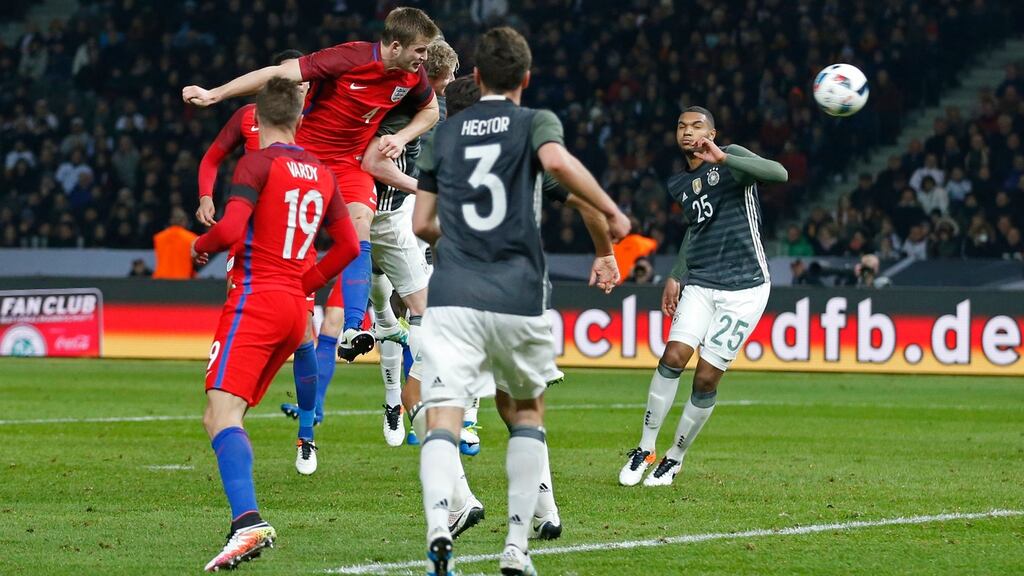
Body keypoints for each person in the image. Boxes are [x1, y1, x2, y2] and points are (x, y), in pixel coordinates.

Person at [412, 27, 629, 576]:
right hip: (517, 293)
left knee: (441, 416)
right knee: (527, 411)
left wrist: (460, 241)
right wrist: (614, 214)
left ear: (477, 76)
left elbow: (421, 224)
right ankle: (515, 547)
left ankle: (439, 527)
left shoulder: (444, 139)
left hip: (454, 292)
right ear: (525, 79)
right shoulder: (535, 124)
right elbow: (558, 165)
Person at [182, 7, 442, 415]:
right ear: (395, 46)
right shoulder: (349, 57)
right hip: (309, 155)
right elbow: (279, 73)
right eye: (421, 51)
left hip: (351, 162)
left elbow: (430, 110)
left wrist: (403, 136)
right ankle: (264, 308)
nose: (425, 59)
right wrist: (216, 93)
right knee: (270, 234)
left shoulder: (412, 76)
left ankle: (352, 328)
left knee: (358, 230)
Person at [193, 77, 359, 572]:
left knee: (219, 417)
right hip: (294, 307)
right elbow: (349, 248)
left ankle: (248, 522)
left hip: (255, 301)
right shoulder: (323, 173)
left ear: (257, 118)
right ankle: (244, 516)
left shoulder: (257, 162)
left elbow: (226, 230)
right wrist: (305, 279)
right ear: (301, 119)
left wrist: (197, 249)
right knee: (230, 413)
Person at [619, 105, 787, 487]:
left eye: (696, 126)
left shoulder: (734, 159)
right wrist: (676, 276)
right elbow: (695, 230)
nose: (687, 131)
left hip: (746, 288)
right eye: (681, 126)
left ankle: (674, 457)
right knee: (674, 355)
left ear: (711, 132)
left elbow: (780, 173)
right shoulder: (679, 184)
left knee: (706, 378)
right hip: (702, 282)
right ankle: (645, 447)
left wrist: (724, 156)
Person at [193, 49, 324, 475]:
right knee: (246, 327)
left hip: (294, 247)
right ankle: (233, 420)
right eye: (297, 81)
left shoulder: (318, 123)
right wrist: (207, 197)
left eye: (307, 83)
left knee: (305, 337)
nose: (303, 88)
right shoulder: (249, 119)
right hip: (248, 250)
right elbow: (212, 157)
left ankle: (307, 434)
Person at [152, 207, 198, 279]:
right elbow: (195, 262)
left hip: (160, 279)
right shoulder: (192, 238)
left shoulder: (158, 237)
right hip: (182, 280)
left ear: (171, 220)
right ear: (184, 221)